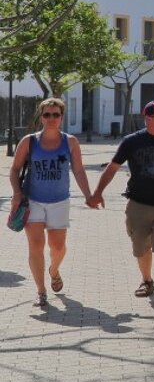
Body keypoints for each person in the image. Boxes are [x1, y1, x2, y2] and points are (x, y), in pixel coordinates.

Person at [91, 100, 154, 304]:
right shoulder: (131, 142)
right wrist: (98, 192)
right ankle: (147, 281)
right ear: (148, 119)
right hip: (138, 203)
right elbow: (112, 168)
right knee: (141, 247)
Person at [8, 98, 94, 307]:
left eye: (55, 114)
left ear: (61, 117)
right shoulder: (29, 141)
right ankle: (41, 291)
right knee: (36, 245)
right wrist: (17, 193)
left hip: (59, 201)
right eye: (47, 114)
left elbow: (79, 170)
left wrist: (88, 195)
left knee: (58, 247)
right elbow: (14, 169)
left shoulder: (70, 142)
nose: (51, 118)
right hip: (32, 201)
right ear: (41, 117)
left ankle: (54, 270)